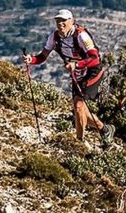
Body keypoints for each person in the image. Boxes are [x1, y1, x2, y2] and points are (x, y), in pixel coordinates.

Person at [22, 9, 115, 146]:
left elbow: (95, 58)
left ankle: (79, 143)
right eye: (58, 21)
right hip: (77, 73)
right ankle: (105, 129)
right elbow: (42, 56)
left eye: (64, 21)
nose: (60, 24)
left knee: (78, 107)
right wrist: (31, 60)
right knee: (80, 110)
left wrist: (76, 64)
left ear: (71, 21)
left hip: (92, 72)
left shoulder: (81, 36)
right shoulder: (54, 37)